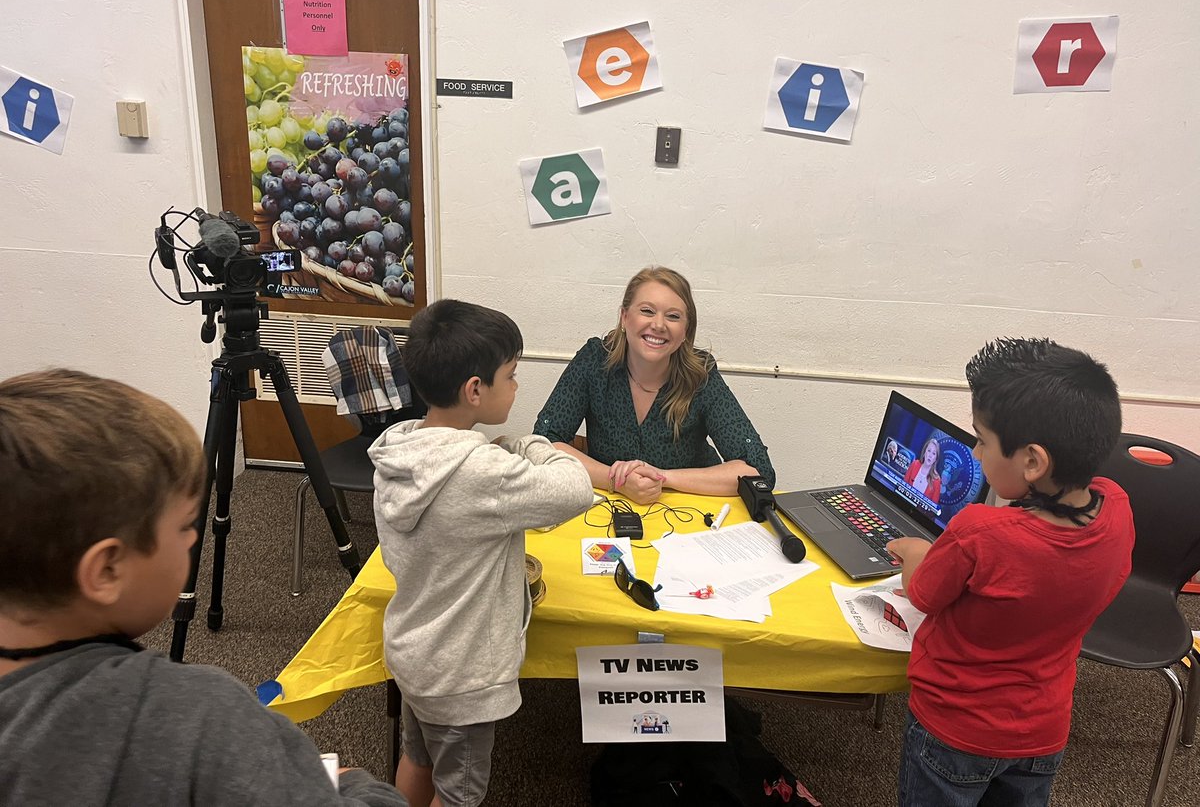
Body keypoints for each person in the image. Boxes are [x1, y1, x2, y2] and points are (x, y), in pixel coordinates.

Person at [0, 369, 407, 807]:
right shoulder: (194, 713)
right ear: (106, 571)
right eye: (183, 526)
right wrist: (351, 786)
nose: (196, 537)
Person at [886, 338, 1134, 807]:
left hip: (954, 731)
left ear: (1033, 461)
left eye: (981, 439)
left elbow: (922, 593)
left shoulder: (979, 532)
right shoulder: (1117, 509)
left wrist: (918, 550)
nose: (976, 454)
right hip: (1042, 733)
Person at [370, 300, 595, 807]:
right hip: (462, 676)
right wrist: (530, 443)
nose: (515, 387)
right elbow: (574, 488)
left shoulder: (400, 448)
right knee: (458, 793)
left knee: (416, 759)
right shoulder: (481, 473)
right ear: (475, 390)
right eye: (511, 376)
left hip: (415, 653)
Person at [535, 266, 774, 504]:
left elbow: (758, 472)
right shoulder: (594, 360)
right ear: (624, 317)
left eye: (673, 316)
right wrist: (615, 480)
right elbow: (543, 444)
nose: (659, 325)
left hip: (691, 514)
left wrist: (662, 477)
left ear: (685, 331)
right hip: (612, 508)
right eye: (647, 311)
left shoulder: (701, 375)